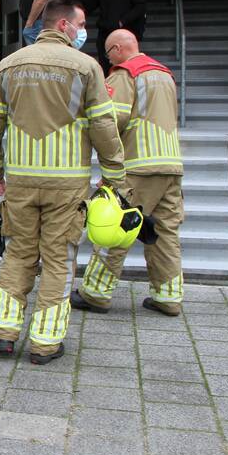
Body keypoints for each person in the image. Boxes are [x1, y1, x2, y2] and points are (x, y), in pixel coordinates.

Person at [0, 0, 128, 364]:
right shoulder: (86, 67)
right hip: (67, 183)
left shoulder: (9, 65)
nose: (83, 31)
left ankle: (3, 333)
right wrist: (113, 177)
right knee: (59, 259)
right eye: (81, 25)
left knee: (19, 253)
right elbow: (103, 125)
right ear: (64, 25)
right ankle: (45, 342)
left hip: (22, 181)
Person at [72, 29, 184, 316]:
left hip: (137, 166)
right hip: (170, 165)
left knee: (116, 228)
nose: (108, 59)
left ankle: (95, 293)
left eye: (108, 53)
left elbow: (110, 120)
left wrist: (106, 163)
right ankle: (168, 297)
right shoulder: (164, 73)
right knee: (165, 232)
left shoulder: (126, 74)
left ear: (118, 49)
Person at [84, 0, 147, 76]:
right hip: (104, 35)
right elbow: (88, 7)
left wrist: (122, 21)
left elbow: (140, 6)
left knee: (125, 70)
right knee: (106, 70)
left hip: (123, 34)